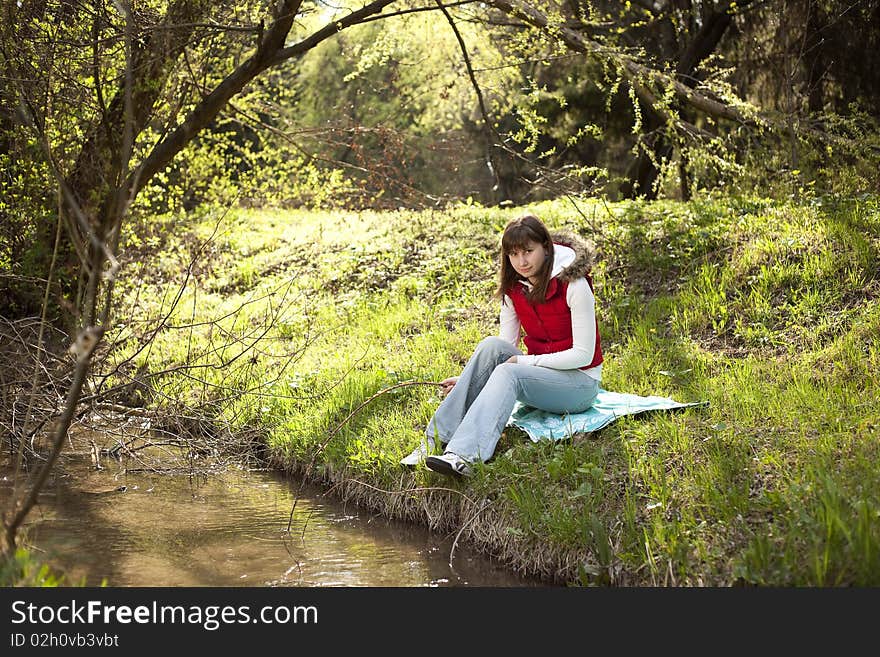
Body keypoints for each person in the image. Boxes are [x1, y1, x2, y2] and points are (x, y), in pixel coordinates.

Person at [423, 213, 603, 477]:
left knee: (510, 371)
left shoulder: (574, 285)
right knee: (491, 346)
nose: (522, 261)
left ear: (546, 246)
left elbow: (583, 355)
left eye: (529, 251)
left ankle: (464, 457)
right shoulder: (514, 288)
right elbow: (503, 349)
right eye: (514, 254)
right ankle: (436, 439)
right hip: (542, 376)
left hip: (580, 384)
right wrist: (467, 380)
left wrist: (525, 361)